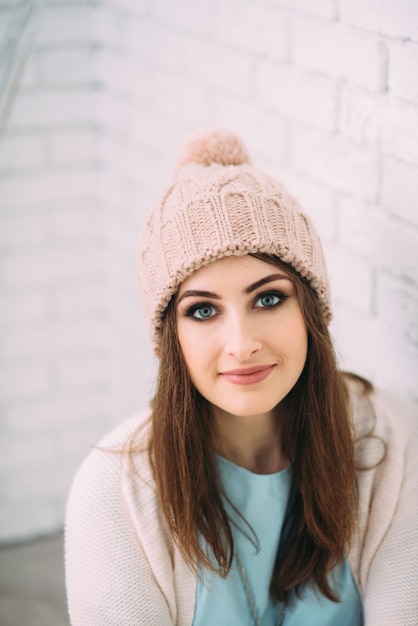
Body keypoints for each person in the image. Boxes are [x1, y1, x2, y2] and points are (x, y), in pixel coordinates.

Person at [65, 130, 418, 626]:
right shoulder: (113, 491)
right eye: (203, 310)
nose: (241, 342)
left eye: (269, 299)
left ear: (310, 311)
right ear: (171, 337)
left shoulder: (393, 444)